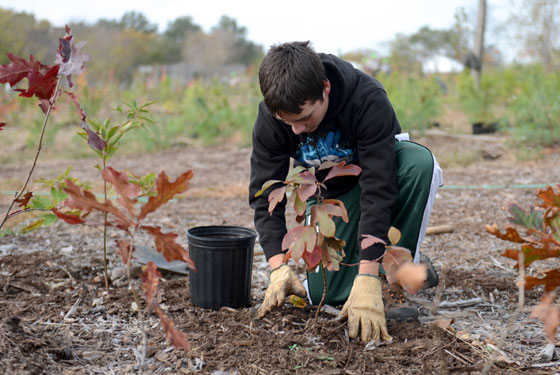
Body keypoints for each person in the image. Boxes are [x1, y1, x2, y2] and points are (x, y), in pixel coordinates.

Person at [248, 41, 443, 342]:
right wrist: (277, 266)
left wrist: (368, 277)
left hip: (375, 183)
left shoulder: (366, 99)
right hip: (329, 200)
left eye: (304, 119)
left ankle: (395, 279)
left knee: (418, 162)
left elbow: (379, 189)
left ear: (325, 88)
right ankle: (410, 267)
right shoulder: (271, 119)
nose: (296, 131)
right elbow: (265, 196)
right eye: (287, 123)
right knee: (330, 298)